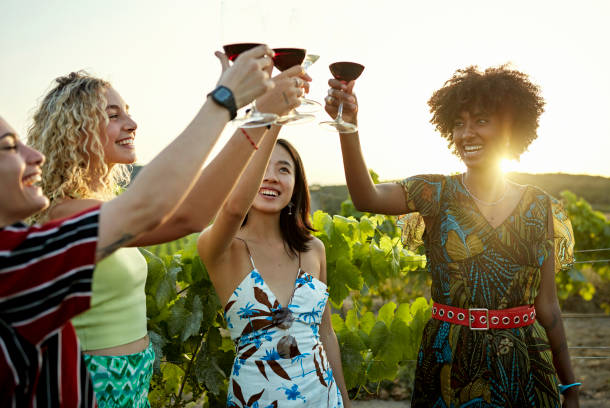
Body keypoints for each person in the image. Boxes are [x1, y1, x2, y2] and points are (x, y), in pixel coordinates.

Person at [26, 51, 307, 406]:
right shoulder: (64, 213)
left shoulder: (102, 206)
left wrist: (262, 117)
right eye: (113, 115)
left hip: (128, 386)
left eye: (127, 111)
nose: (131, 123)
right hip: (91, 388)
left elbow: (192, 199)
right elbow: (186, 215)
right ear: (74, 130)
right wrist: (246, 112)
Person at [324, 65, 580, 407]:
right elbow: (365, 197)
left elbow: (548, 307)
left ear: (510, 128)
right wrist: (348, 127)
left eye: (481, 121)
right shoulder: (434, 193)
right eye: (458, 123)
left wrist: (570, 388)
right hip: (449, 360)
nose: (466, 133)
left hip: (523, 364)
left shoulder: (539, 207)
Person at [197, 131, 350, 406]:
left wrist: (345, 402)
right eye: (261, 166)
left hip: (323, 399)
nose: (271, 177)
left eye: (283, 169)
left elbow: (325, 332)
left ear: (295, 184)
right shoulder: (221, 248)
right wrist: (274, 120)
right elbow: (232, 211)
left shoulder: (314, 249)